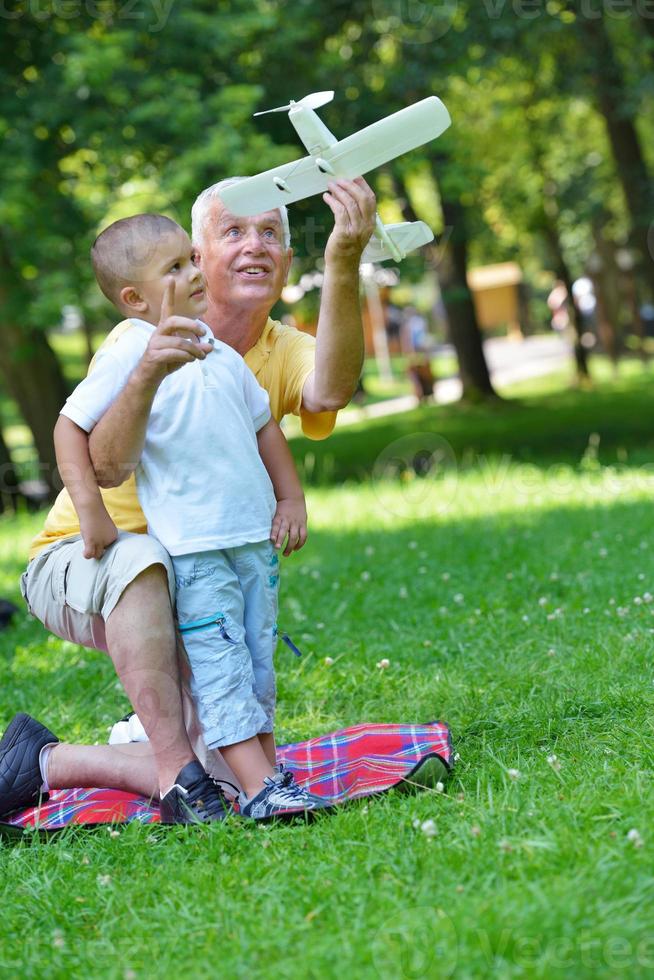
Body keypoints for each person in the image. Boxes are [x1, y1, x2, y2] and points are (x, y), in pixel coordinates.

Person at [0, 177, 376, 823]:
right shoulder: (132, 343)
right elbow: (103, 463)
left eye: (271, 235)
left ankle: (48, 762)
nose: (254, 246)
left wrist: (343, 258)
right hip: (90, 564)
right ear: (197, 257)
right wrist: (149, 371)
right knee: (142, 558)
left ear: (287, 261)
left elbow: (327, 393)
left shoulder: (247, 356)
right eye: (232, 232)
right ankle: (176, 773)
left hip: (205, 567)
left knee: (236, 771)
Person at [55, 212, 333, 822]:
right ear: (135, 299)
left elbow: (265, 431)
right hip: (195, 550)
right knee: (220, 661)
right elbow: (70, 427)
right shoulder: (131, 346)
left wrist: (291, 500)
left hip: (252, 546)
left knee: (257, 659)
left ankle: (267, 769)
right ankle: (260, 790)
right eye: (175, 267)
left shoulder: (220, 354)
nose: (194, 271)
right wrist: (92, 514)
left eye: (191, 258)